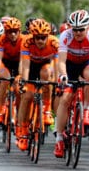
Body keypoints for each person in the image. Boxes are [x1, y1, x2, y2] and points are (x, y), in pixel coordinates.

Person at [54, 9, 89, 158]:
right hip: (69, 65)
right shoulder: (65, 36)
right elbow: (61, 61)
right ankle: (59, 139)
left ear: (88, 27)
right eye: (75, 29)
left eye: (81, 29)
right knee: (65, 99)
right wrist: (63, 75)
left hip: (86, 63)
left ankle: (87, 109)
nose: (77, 33)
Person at [16, 19, 59, 151]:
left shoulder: (54, 42)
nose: (40, 41)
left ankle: (46, 109)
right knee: (27, 96)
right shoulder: (27, 42)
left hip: (44, 66)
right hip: (31, 67)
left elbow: (57, 66)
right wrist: (24, 81)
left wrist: (57, 82)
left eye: (43, 37)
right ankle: (22, 129)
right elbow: (25, 66)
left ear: (48, 36)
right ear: (32, 36)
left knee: (48, 74)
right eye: (37, 38)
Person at [0, 17, 24, 124]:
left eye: (15, 31)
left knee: (18, 88)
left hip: (18, 63)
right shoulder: (2, 39)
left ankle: (19, 112)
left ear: (19, 31)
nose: (12, 34)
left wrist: (20, 75)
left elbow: (22, 60)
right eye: (9, 32)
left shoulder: (23, 40)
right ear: (6, 32)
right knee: (5, 80)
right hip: (5, 63)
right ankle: (0, 111)